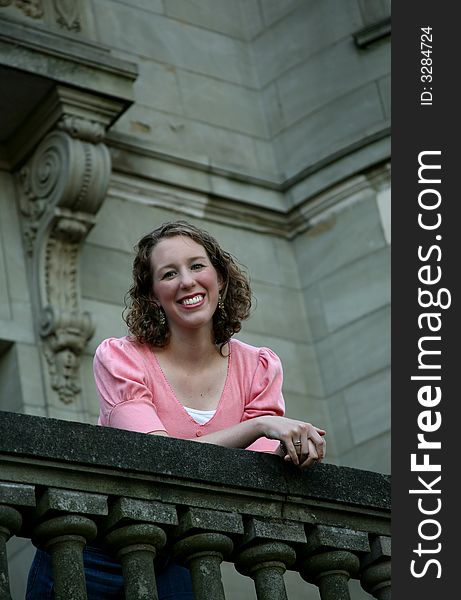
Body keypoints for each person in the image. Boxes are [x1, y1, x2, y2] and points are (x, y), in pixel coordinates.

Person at [26, 220, 325, 599]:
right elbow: (161, 459)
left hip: (178, 552)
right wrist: (261, 425)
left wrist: (295, 449)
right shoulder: (121, 358)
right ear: (152, 295)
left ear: (221, 278)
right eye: (169, 273)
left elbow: (254, 474)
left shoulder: (259, 367)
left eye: (197, 266)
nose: (187, 281)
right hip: (88, 549)